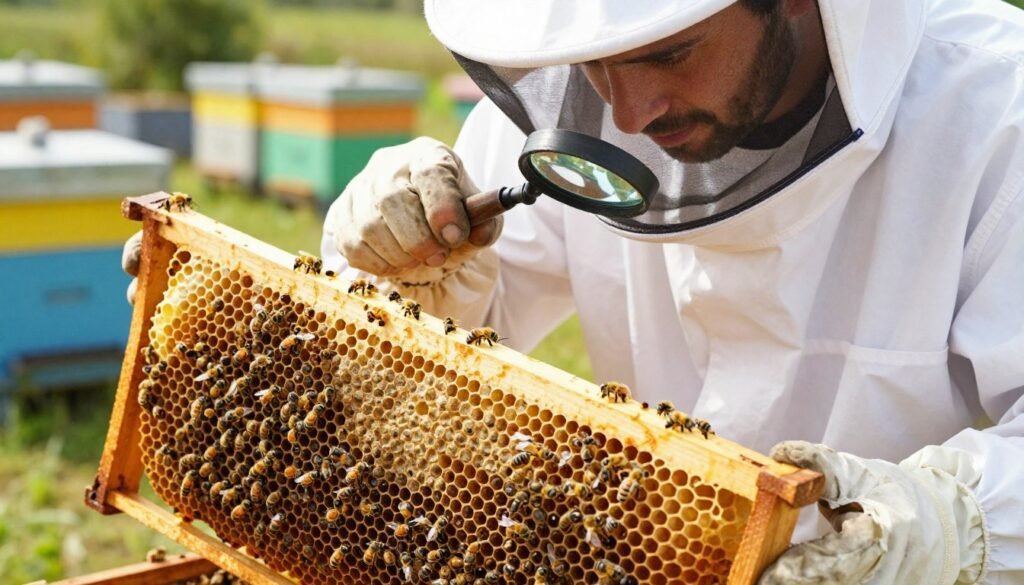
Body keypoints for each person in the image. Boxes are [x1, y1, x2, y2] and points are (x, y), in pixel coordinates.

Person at [123, 0, 1024, 581]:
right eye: (595, 64)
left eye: (669, 53)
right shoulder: (572, 105)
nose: (626, 113)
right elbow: (441, 331)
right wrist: (395, 264)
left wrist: (942, 531)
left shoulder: (995, 115)